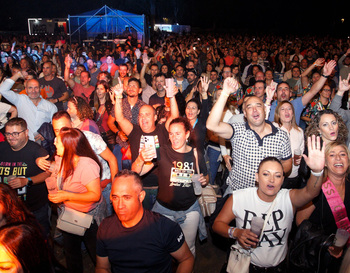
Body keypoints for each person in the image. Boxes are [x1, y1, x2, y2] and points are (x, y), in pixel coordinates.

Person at [213, 135, 326, 272]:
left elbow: (311, 192)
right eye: (266, 174)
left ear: (283, 180)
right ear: (257, 177)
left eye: (277, 175)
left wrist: (317, 172)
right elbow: (218, 224)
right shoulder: (239, 197)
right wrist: (236, 232)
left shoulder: (288, 198)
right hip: (247, 266)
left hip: (278, 267)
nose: (271, 180)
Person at [132, 117, 208, 256]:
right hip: (164, 210)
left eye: (178, 133)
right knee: (162, 247)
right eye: (171, 134)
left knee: (188, 247)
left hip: (189, 210)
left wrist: (204, 180)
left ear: (187, 134)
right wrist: (140, 159)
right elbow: (137, 172)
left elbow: (206, 176)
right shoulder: (162, 151)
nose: (174, 137)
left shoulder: (196, 154)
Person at [95, 170, 194, 273]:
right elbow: (102, 267)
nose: (120, 205)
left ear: (141, 196)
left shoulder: (164, 228)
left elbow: (186, 259)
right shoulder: (105, 228)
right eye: (115, 198)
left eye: (127, 198)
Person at [206, 77, 292, 196]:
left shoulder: (281, 135)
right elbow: (211, 125)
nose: (254, 110)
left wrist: (272, 175)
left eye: (258, 106)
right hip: (237, 194)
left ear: (265, 109)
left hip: (267, 195)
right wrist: (225, 92)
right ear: (245, 114)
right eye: (249, 107)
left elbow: (288, 163)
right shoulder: (238, 130)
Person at [112, 81, 179, 209]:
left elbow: (174, 117)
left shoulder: (162, 130)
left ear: (155, 117)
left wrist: (171, 96)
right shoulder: (134, 131)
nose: (143, 118)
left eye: (147, 115)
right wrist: (119, 97)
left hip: (162, 186)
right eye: (141, 115)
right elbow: (119, 118)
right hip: (141, 187)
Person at [48, 127, 106, 273]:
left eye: (59, 143)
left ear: (69, 145)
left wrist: (66, 196)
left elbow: (95, 195)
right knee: (71, 253)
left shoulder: (86, 164)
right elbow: (56, 174)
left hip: (89, 218)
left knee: (97, 254)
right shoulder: (62, 159)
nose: (55, 144)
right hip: (70, 214)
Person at [296, 141, 350, 273]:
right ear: (324, 162)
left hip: (344, 255)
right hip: (316, 255)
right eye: (332, 155)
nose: (338, 158)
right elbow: (299, 221)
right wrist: (327, 242)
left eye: (342, 154)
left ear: (348, 160)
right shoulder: (316, 188)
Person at [0, 118, 51, 235]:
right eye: (8, 133)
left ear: (26, 132)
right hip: (8, 209)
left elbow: (48, 172)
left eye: (15, 133)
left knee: (40, 238)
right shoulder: (2, 148)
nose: (11, 137)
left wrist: (27, 181)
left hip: (33, 209)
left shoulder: (37, 151)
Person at [267, 60, 337, 125]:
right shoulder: (268, 106)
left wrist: (324, 75)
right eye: (280, 89)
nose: (283, 91)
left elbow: (312, 91)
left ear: (291, 93)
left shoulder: (296, 104)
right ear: (275, 94)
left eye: (286, 89)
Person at [0, 71, 57, 141]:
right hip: (25, 143)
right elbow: (3, 90)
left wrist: (45, 134)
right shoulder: (20, 100)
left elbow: (55, 126)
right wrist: (17, 75)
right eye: (30, 88)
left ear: (40, 89)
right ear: (26, 90)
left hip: (43, 144)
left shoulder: (50, 106)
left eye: (36, 88)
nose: (33, 91)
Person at [107, 78, 146, 170]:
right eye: (129, 85)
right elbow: (110, 122)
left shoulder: (144, 107)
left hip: (138, 147)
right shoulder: (120, 104)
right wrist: (118, 132)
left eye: (134, 86)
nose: (131, 88)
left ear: (140, 90)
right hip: (121, 144)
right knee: (118, 174)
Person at [273, 101, 304, 188]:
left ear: (293, 113)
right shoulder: (273, 128)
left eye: (289, 109)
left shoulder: (299, 131)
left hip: (294, 176)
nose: (286, 111)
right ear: (278, 114)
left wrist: (300, 158)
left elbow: (301, 151)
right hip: (277, 176)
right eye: (283, 109)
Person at [93, 80, 115, 150]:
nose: (99, 91)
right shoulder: (94, 105)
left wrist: (114, 102)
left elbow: (119, 117)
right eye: (97, 89)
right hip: (98, 138)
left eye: (101, 89)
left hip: (110, 138)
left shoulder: (110, 105)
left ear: (106, 90)